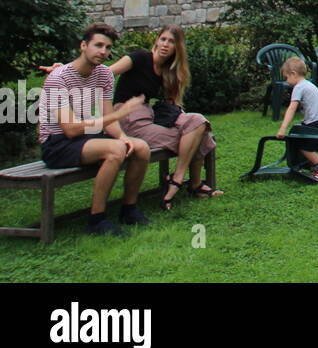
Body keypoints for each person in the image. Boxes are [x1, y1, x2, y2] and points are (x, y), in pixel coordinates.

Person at [42, 24, 221, 210]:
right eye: (163, 39)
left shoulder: (170, 71)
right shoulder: (139, 58)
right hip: (124, 118)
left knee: (198, 127)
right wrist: (63, 69)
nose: (166, 45)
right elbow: (104, 72)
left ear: (179, 47)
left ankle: (184, 185)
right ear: (157, 40)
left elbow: (172, 103)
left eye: (171, 41)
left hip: (144, 115)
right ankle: (179, 183)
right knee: (194, 137)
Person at [38, 23, 152, 236]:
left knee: (141, 148)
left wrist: (124, 136)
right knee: (115, 151)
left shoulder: (104, 75)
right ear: (83, 45)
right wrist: (118, 117)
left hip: (85, 137)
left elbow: (107, 118)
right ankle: (96, 220)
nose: (103, 52)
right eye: (98, 45)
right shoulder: (58, 78)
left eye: (108, 48)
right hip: (57, 143)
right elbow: (70, 129)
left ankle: (129, 209)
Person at [277, 56, 318, 181]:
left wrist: (282, 128)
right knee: (302, 140)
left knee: (305, 148)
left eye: (286, 77)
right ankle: (311, 165)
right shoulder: (309, 84)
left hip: (317, 122)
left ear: (293, 74)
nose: (286, 81)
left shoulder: (299, 87)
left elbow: (292, 108)